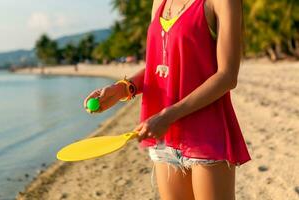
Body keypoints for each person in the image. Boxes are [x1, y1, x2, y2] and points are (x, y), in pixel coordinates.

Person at [84, 0, 251, 199]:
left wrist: (168, 115)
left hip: (204, 133)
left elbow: (227, 76)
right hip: (164, 136)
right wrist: (122, 88)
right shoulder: (160, 2)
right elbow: (160, 65)